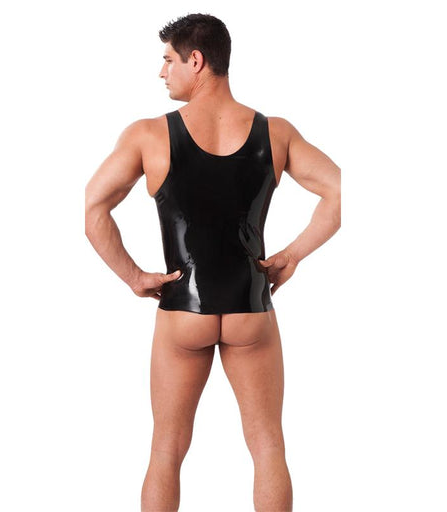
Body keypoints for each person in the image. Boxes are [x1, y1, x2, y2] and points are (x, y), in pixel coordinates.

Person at [85, 12, 341, 512]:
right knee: (268, 446)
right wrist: (291, 255)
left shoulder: (148, 136)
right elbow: (339, 190)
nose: (162, 72)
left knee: (166, 450)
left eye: (168, 60)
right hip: (251, 309)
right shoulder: (276, 133)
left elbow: (94, 206)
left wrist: (135, 277)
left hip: (182, 313)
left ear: (196, 61)